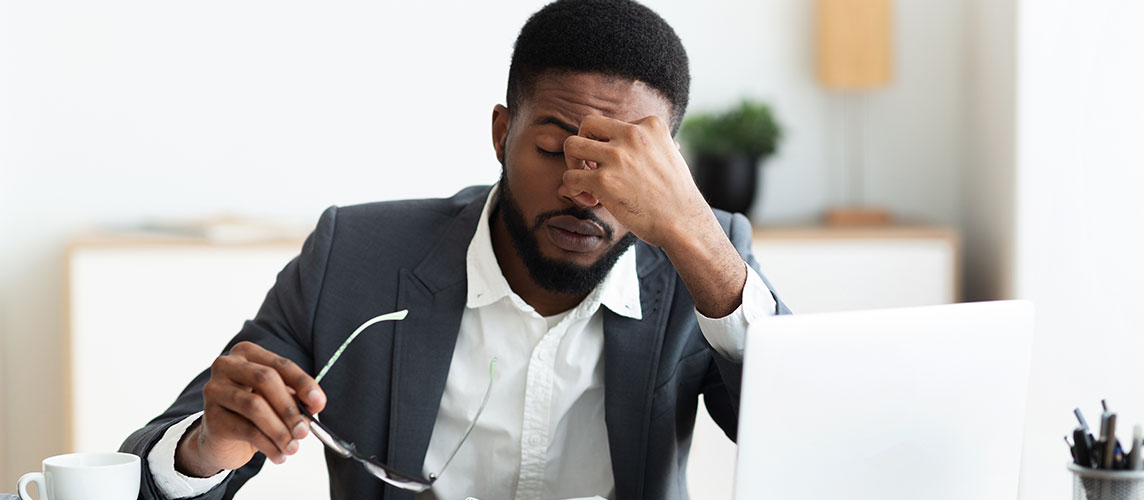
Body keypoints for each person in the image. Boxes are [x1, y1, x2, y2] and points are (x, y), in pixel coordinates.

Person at [121, 1, 790, 499]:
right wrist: (206, 447)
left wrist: (695, 236)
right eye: (554, 149)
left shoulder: (704, 261)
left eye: (621, 164)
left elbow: (809, 438)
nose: (583, 193)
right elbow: (148, 471)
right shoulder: (353, 257)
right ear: (502, 132)